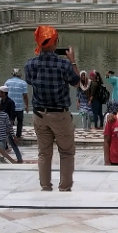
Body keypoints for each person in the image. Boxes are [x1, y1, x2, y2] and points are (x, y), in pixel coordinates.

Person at [25, 25, 80, 191]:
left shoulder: (30, 64)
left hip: (40, 114)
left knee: (44, 152)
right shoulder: (63, 65)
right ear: (56, 42)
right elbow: (78, 83)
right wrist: (73, 61)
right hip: (59, 115)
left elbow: (29, 81)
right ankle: (64, 187)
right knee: (66, 152)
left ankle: (45, 186)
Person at [0, 86, 24, 162]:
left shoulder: (10, 102)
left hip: (7, 125)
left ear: (3, 93)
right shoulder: (1, 101)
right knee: (2, 142)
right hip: (1, 124)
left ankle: (19, 158)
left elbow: (12, 115)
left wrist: (9, 126)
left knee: (12, 142)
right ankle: (1, 157)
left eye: (0, 92)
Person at [3, 69, 29, 140]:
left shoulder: (7, 82)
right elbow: (25, 96)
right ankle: (18, 135)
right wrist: (27, 106)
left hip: (9, 106)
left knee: (9, 121)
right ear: (20, 75)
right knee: (20, 121)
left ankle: (9, 135)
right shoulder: (23, 83)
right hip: (19, 106)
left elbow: (4, 94)